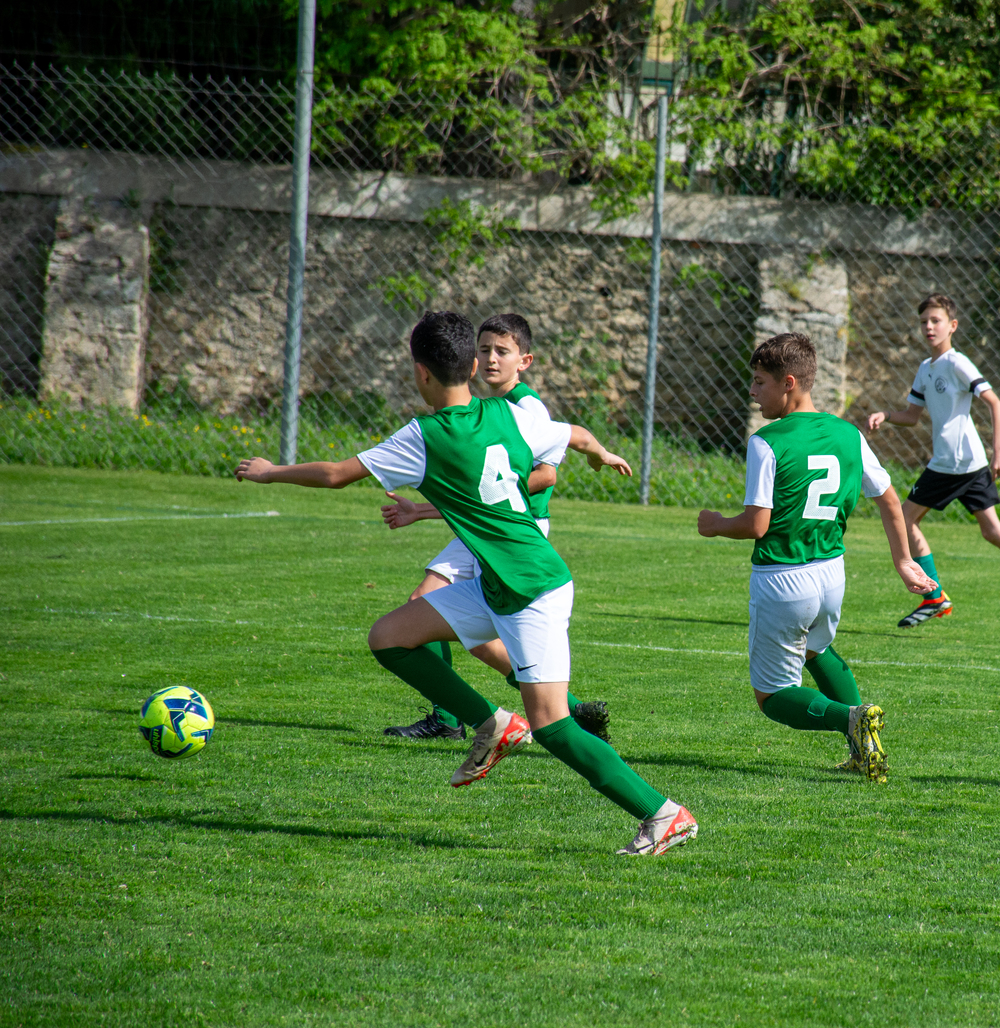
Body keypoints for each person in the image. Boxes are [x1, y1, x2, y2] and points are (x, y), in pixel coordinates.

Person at [235, 311, 696, 856]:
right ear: (474, 367)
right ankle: (493, 724)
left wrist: (270, 472)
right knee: (390, 637)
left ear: (420, 372)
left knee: (553, 726)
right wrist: (599, 453)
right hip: (497, 582)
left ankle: (663, 814)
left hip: (530, 588)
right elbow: (573, 433)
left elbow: (337, 474)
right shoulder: (509, 414)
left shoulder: (424, 436)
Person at [698, 332, 936, 782]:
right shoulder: (848, 433)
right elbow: (888, 498)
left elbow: (756, 524)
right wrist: (904, 561)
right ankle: (864, 749)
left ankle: (851, 719)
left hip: (784, 578)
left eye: (760, 382)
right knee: (816, 649)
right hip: (831, 573)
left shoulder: (767, 441)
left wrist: (715, 524)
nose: (752, 391)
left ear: (788, 383)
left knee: (772, 696)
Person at [378, 313, 610, 745]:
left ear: (524, 361)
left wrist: (431, 508)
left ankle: (458, 717)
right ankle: (567, 709)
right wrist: (423, 511)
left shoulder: (525, 408)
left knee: (427, 607)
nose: (490, 359)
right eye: (484, 349)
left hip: (513, 533)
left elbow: (543, 476)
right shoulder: (483, 408)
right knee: (475, 637)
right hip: (489, 529)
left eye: (502, 351)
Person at [867, 293, 1000, 641]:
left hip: (954, 464)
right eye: (923, 321)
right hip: (963, 464)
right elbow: (913, 416)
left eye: (936, 321)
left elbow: (995, 403)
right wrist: (886, 415)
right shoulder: (926, 368)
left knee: (904, 518)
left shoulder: (957, 363)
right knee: (992, 531)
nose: (929, 327)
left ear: (953, 326)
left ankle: (934, 596)